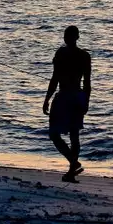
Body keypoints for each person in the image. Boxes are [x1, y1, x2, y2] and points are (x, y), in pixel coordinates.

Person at [43, 25, 91, 182]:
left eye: (67, 36)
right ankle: (72, 167)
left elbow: (54, 79)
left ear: (75, 37)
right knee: (73, 135)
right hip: (76, 97)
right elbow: (87, 84)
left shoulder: (63, 54)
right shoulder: (83, 56)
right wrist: (85, 101)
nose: (66, 38)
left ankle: (72, 164)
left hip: (65, 97)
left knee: (56, 134)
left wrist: (47, 99)